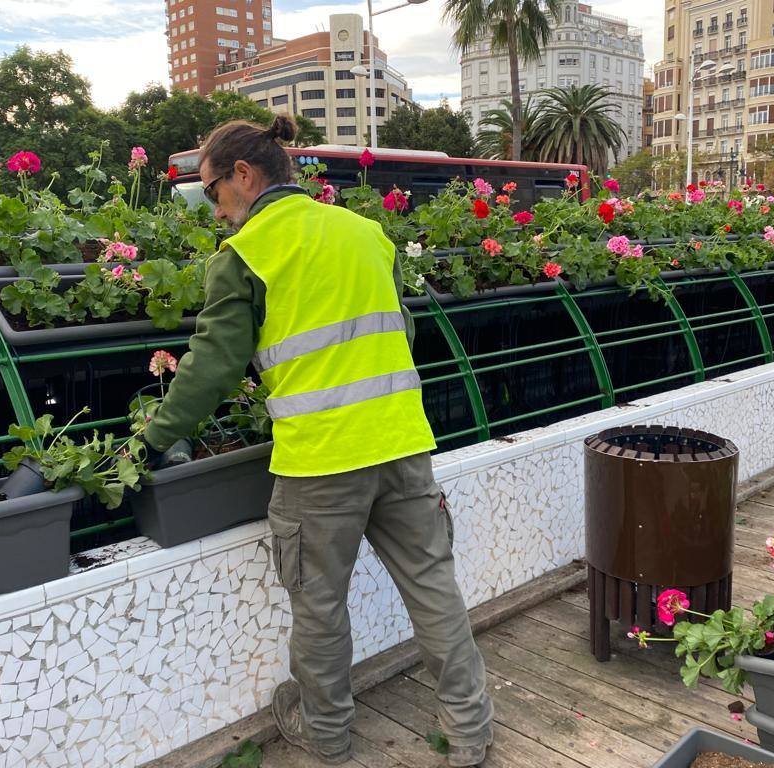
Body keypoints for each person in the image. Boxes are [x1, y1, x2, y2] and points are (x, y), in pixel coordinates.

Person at [142, 116, 494, 767]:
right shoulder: (366, 233)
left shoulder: (247, 253)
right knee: (433, 588)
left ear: (243, 175)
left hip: (321, 463)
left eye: (213, 192)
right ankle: (470, 732)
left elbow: (213, 366)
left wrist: (152, 441)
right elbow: (401, 331)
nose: (216, 210)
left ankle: (327, 735)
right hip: (403, 444)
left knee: (320, 607)